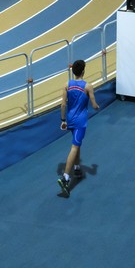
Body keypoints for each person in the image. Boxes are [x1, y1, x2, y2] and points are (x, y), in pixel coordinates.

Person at [59, 59, 98, 195]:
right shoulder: (88, 86)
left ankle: (76, 168)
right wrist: (97, 107)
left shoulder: (67, 84)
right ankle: (65, 177)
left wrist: (63, 120)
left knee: (78, 143)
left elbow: (63, 104)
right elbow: (94, 105)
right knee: (74, 147)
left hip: (69, 119)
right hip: (80, 122)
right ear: (83, 71)